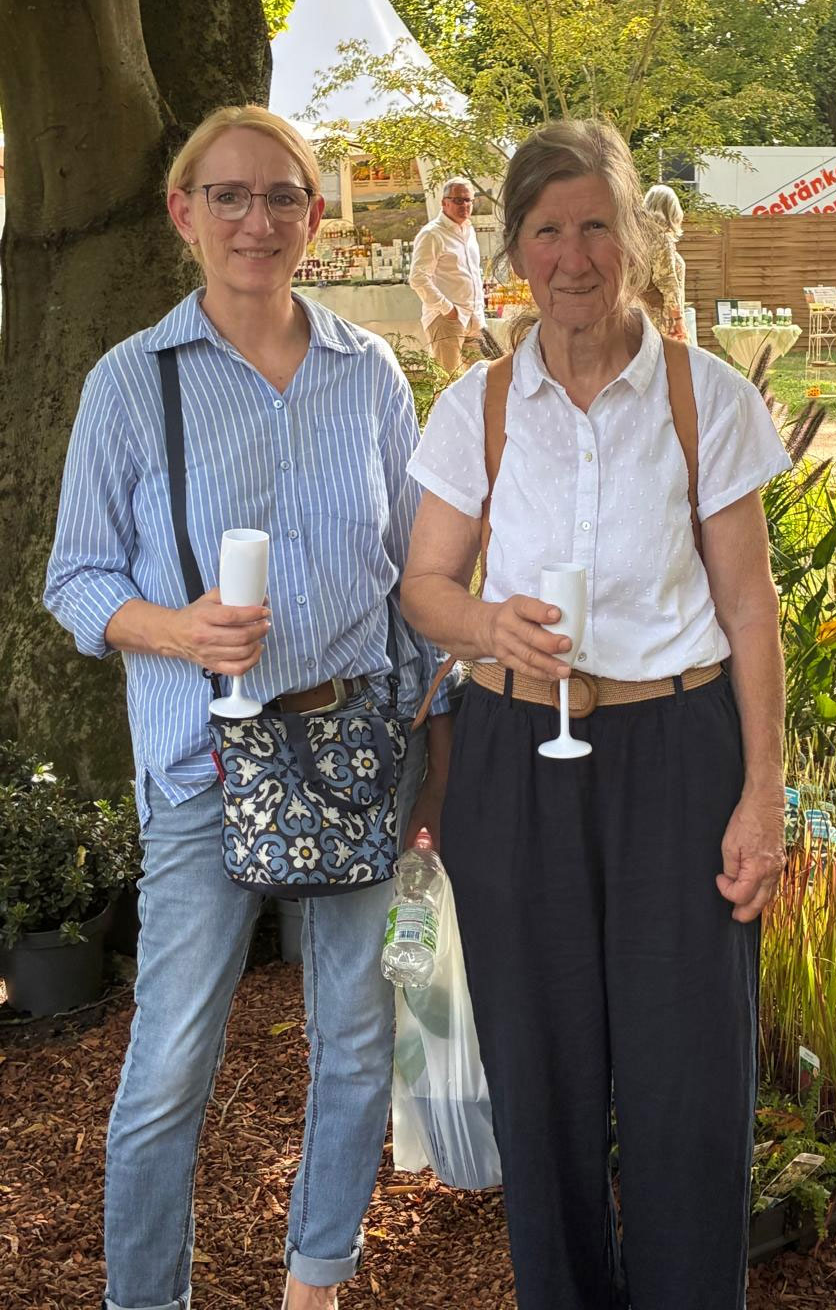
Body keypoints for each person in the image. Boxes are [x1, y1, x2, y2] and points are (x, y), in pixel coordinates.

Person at [44, 105, 452, 1310]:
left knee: (357, 1043)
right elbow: (75, 578)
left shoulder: (368, 371)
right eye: (228, 195)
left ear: (314, 217)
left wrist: (434, 752)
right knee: (171, 1061)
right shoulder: (134, 382)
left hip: (356, 750)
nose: (255, 220)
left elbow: (414, 574)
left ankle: (316, 1282)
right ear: (185, 213)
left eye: (280, 196)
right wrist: (180, 630)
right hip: (203, 765)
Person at [399, 119, 791, 1310]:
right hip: (516, 756)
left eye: (595, 226)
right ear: (513, 248)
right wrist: (488, 624)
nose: (573, 256)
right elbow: (424, 588)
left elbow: (749, 604)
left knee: (689, 1077)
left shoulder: (703, 397)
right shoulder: (477, 407)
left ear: (635, 239)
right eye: (546, 230)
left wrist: (763, 790)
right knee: (542, 1072)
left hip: (677, 752)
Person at [409, 176, 485, 371]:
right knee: (447, 380)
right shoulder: (432, 234)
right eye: (458, 200)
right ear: (444, 203)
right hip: (447, 319)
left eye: (468, 200)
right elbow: (418, 278)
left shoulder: (468, 231)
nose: (464, 205)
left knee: (481, 379)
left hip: (473, 319)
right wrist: (448, 309)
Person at [642, 180, 689, 340]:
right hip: (663, 320)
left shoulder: (637, 237)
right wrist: (678, 320)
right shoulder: (661, 239)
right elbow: (668, 283)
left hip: (641, 315)